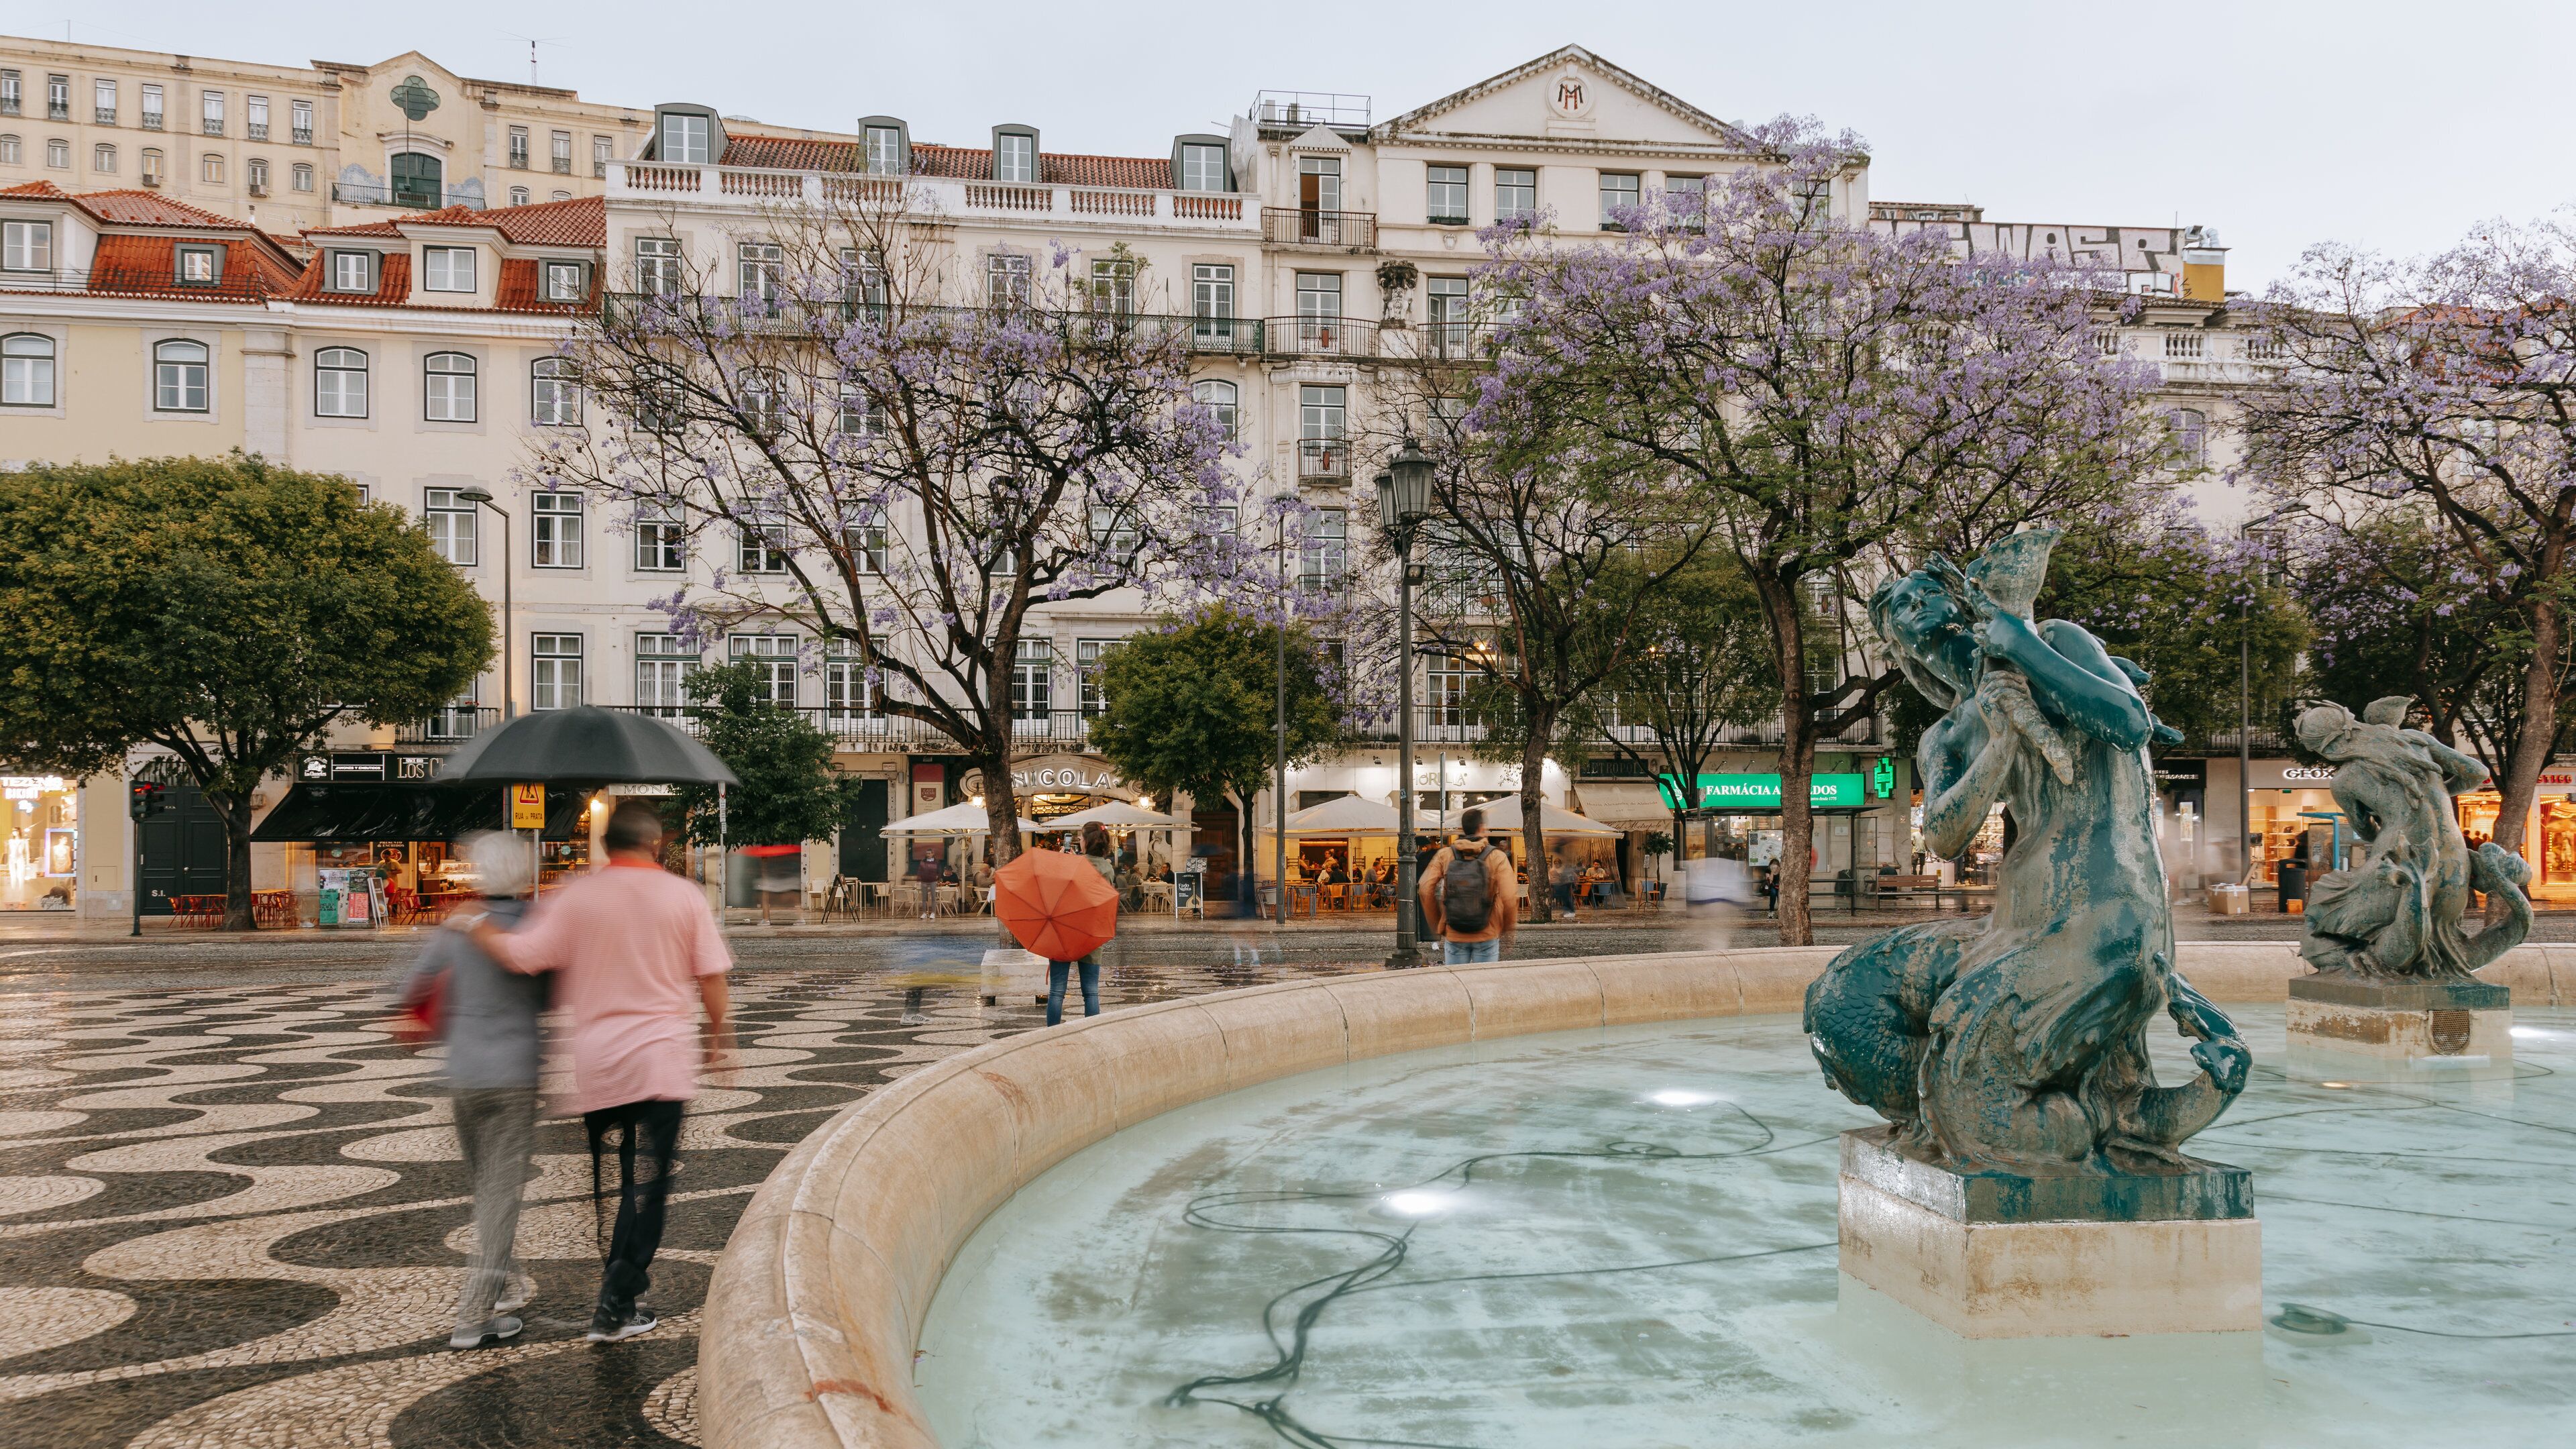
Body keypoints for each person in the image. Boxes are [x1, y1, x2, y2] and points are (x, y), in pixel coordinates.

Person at [460, 800, 733, 1344]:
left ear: (607, 846)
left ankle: (613, 1284)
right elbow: (711, 976)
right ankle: (617, 1300)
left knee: (612, 1186)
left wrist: (474, 925)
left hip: (600, 1065)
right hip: (659, 1062)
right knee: (649, 1189)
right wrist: (719, 1037)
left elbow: (525, 956)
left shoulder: (577, 896)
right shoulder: (684, 896)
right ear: (655, 843)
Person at [397, 831, 544, 1350]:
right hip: (514, 1077)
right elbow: (552, 989)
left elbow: (411, 991)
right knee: (500, 1197)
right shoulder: (533, 924)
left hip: (463, 1075)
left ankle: (503, 1285)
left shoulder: (457, 924)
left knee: (489, 1190)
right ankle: (473, 1317)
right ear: (525, 875)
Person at [1417, 806, 1517, 965]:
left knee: (1458, 985)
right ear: (1482, 828)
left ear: (1463, 829)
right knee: (1484, 985)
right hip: (1487, 932)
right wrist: (1506, 928)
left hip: (1454, 931)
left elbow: (1424, 887)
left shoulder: (1445, 854)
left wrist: (1439, 924)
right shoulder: (1497, 856)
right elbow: (1509, 896)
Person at [1049, 823, 1117, 1024]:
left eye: (1081, 837)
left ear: (1086, 842)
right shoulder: (1107, 868)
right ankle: (1093, 1033)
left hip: (1065, 932)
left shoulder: (1072, 864)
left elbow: (1056, 890)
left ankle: (1051, 1036)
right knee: (1091, 992)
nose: (1079, 840)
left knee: (1056, 991)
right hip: (1092, 933)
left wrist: (1061, 861)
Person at [1550, 853, 1581, 921]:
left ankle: (1570, 911)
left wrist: (1576, 879)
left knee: (1566, 897)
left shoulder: (1564, 868)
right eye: (1555, 863)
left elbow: (1572, 874)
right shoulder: (1553, 869)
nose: (1556, 864)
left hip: (1565, 884)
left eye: (1558, 863)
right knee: (1564, 897)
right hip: (1558, 884)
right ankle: (1566, 910)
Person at [914, 849, 941, 920]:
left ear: (933, 854)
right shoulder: (923, 862)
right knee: (924, 898)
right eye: (927, 853)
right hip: (924, 881)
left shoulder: (936, 862)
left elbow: (939, 871)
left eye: (929, 853)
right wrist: (920, 879)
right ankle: (924, 913)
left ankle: (933, 913)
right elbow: (920, 870)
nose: (928, 855)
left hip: (933, 881)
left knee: (933, 897)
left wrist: (937, 878)